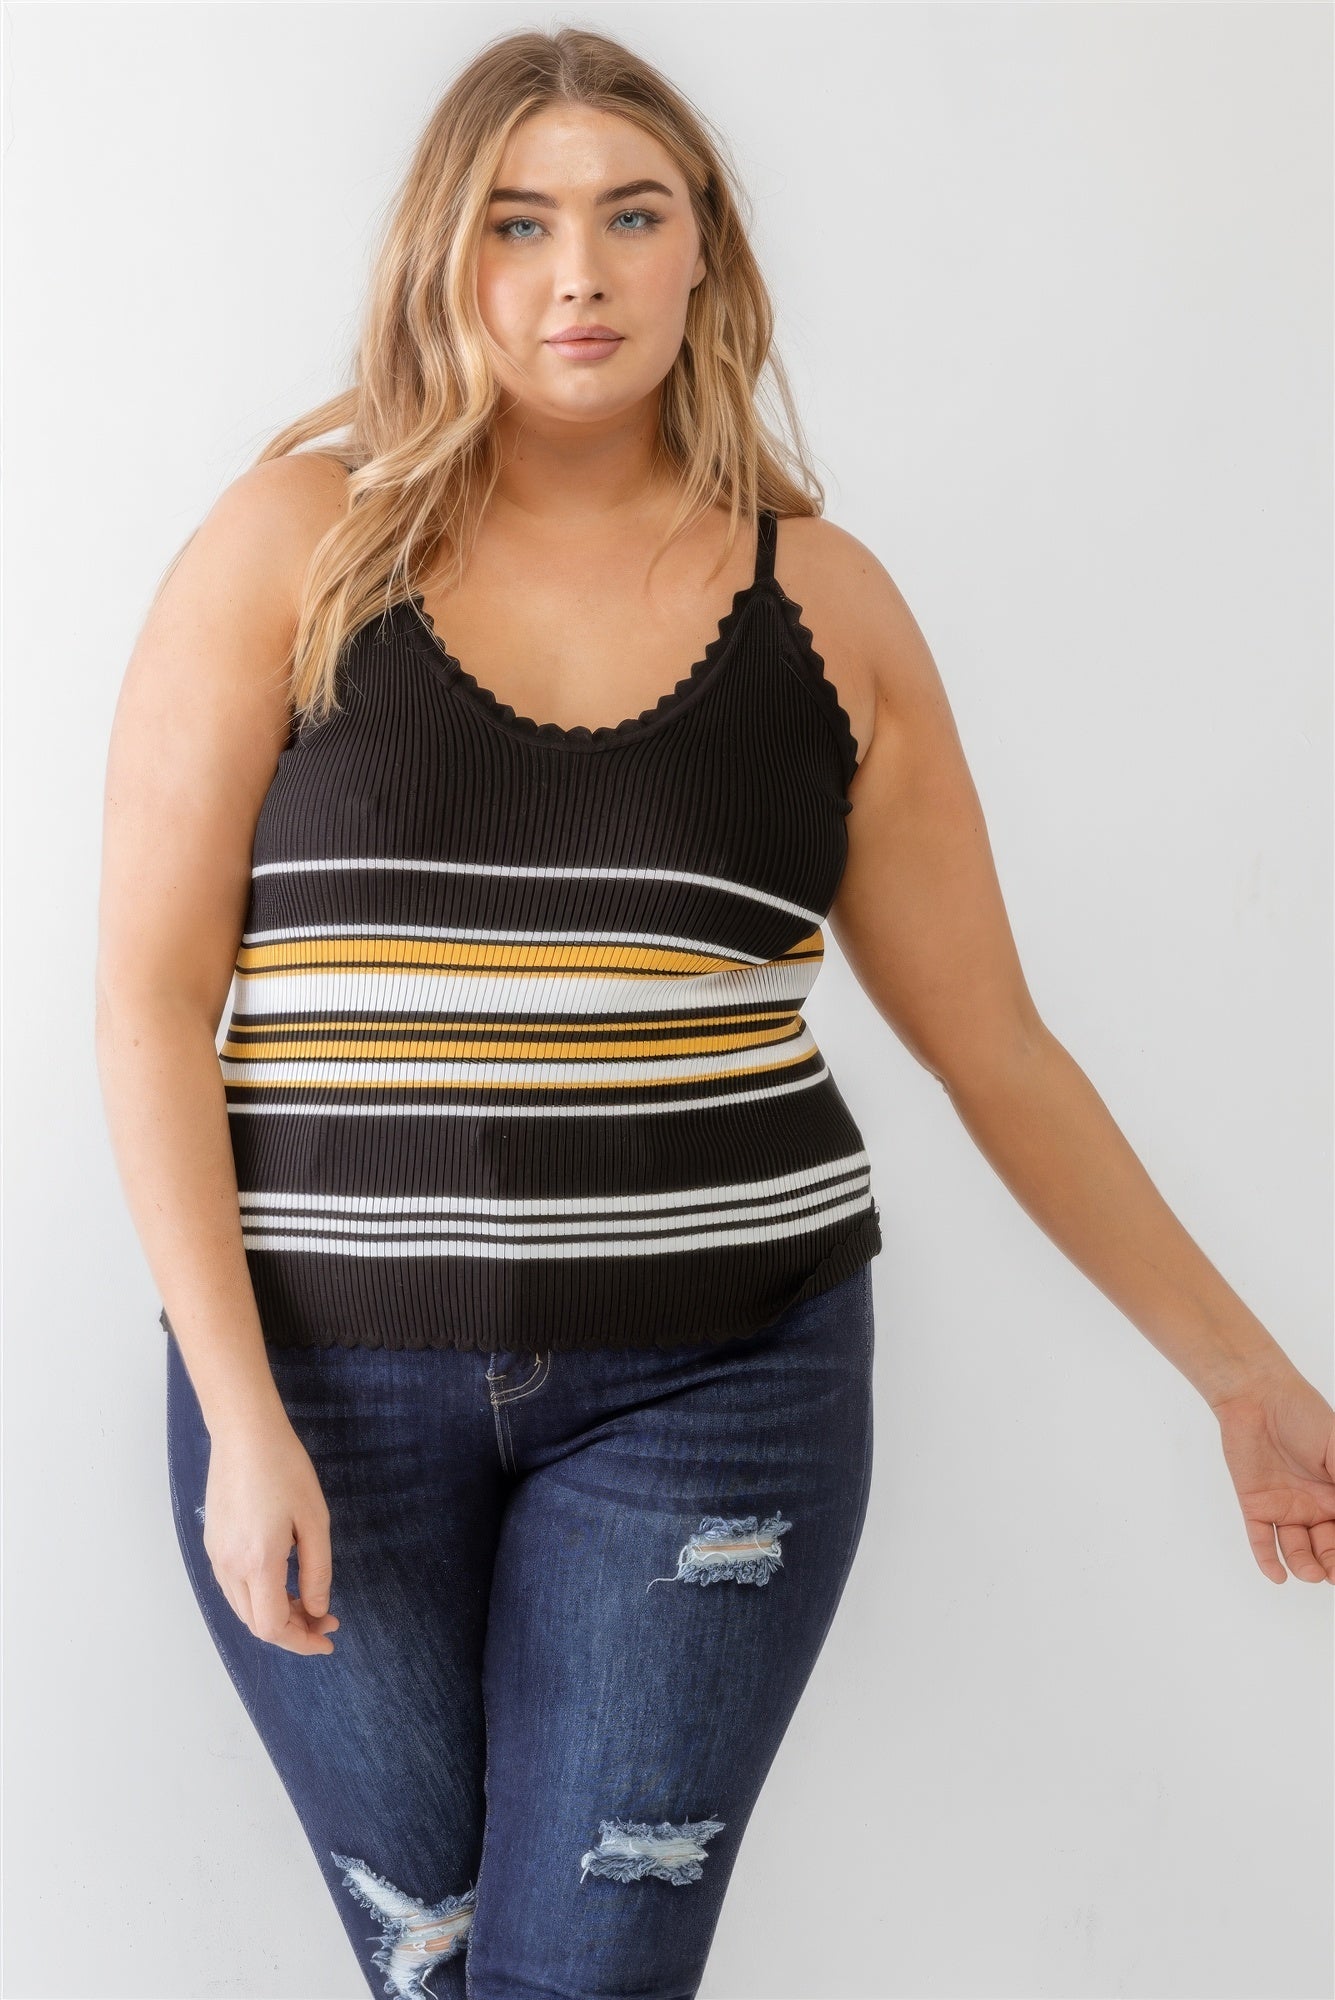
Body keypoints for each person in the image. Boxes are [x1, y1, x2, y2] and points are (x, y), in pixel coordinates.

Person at [95, 24, 1335, 2000]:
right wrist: (240, 1416)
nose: (575, 272)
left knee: (580, 1982)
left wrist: (1244, 1379)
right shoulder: (292, 551)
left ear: (705, 256)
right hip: (322, 1388)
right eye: (516, 222)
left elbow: (994, 1047)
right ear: (442, 257)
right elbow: (152, 1002)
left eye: (629, 216)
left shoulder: (826, 613)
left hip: (716, 1393)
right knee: (439, 1971)